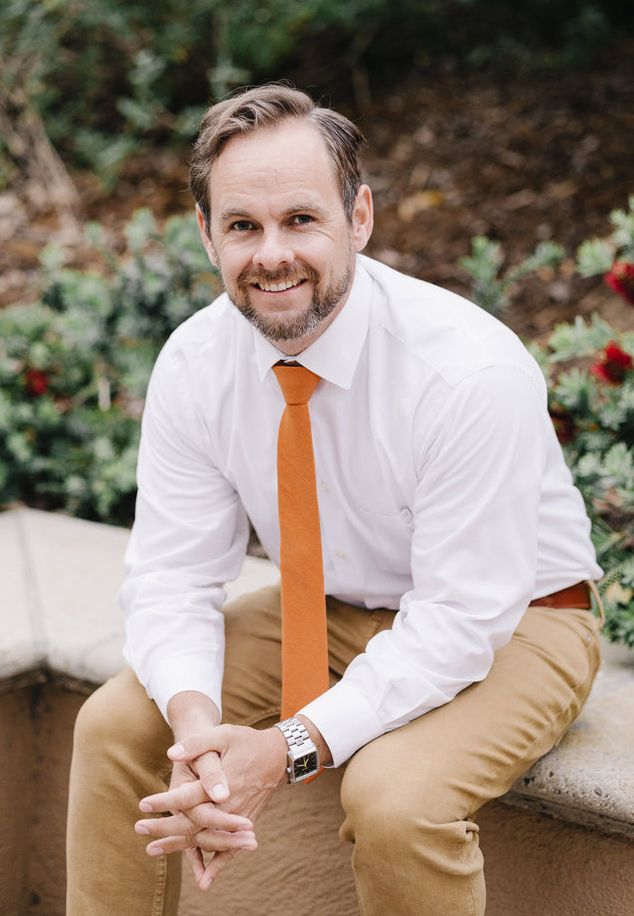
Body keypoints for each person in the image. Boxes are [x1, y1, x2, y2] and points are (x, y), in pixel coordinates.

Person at [66, 83, 602, 916]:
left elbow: (460, 620)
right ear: (208, 235)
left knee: (394, 801)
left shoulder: (465, 371)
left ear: (358, 219)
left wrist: (280, 750)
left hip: (516, 618)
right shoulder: (196, 361)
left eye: (300, 220)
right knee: (115, 727)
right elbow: (173, 577)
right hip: (330, 608)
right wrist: (200, 735)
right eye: (243, 226)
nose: (271, 254)